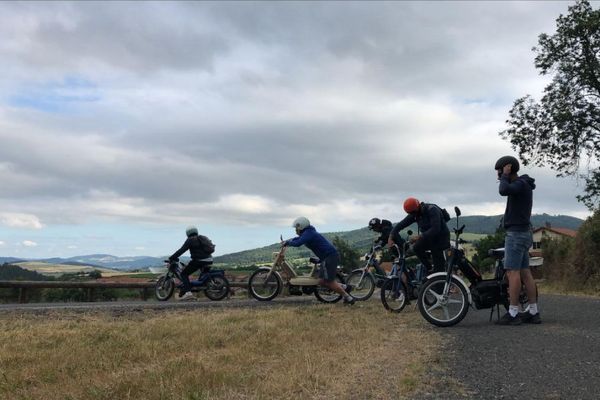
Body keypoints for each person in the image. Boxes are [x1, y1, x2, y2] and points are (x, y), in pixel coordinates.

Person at [494, 155, 540, 325]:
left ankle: (513, 313)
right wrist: (506, 176)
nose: (499, 175)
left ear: (509, 168)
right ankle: (533, 312)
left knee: (512, 273)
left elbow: (503, 190)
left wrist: (505, 175)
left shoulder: (520, 184)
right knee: (525, 273)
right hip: (523, 233)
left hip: (516, 234)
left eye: (500, 170)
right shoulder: (523, 184)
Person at [283, 216, 355, 305]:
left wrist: (288, 243)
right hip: (328, 256)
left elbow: (298, 243)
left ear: (301, 226)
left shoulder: (309, 233)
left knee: (328, 282)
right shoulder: (308, 232)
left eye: (296, 228)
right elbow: (298, 239)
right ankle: (345, 287)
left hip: (329, 257)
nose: (295, 230)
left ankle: (348, 298)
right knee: (321, 281)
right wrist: (289, 241)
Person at [387, 197, 450, 274]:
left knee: (438, 268)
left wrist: (419, 237)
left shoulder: (432, 210)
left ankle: (438, 279)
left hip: (441, 239)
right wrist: (391, 237)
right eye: (410, 213)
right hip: (429, 238)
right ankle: (429, 268)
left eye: (413, 213)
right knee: (416, 247)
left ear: (417, 207)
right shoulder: (415, 213)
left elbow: (435, 229)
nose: (412, 215)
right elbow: (400, 225)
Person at [169, 226, 215, 301]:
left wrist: (172, 257)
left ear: (187, 233)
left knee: (184, 274)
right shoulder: (202, 238)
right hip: (209, 259)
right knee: (202, 274)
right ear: (196, 231)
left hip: (199, 260)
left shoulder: (190, 240)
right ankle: (188, 289)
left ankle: (188, 293)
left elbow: (181, 250)